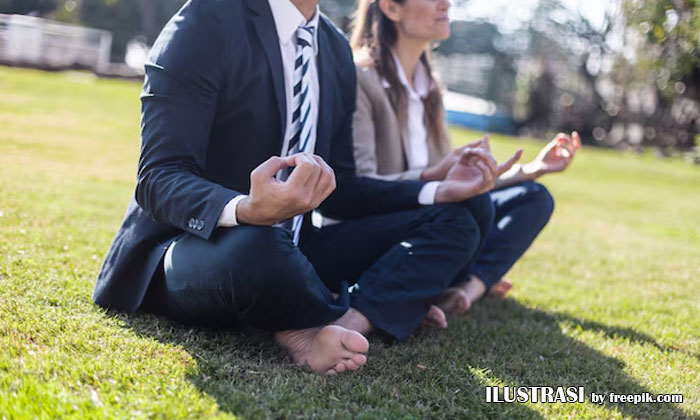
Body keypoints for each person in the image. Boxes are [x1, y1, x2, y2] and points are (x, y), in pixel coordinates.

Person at [92, 0, 520, 375]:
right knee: (257, 247)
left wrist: (433, 186)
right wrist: (244, 209)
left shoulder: (333, 50)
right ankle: (337, 311)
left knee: (467, 212)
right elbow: (159, 176)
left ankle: (349, 318)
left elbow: (345, 190)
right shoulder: (206, 22)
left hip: (298, 248)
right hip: (196, 246)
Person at [349, 0, 582, 315]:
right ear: (392, 8)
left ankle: (468, 287)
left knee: (534, 198)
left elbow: (454, 184)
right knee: (469, 210)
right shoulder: (362, 79)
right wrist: (433, 180)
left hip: (439, 217)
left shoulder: (429, 86)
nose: (446, 3)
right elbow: (360, 187)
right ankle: (454, 281)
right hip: (391, 227)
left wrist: (531, 170)